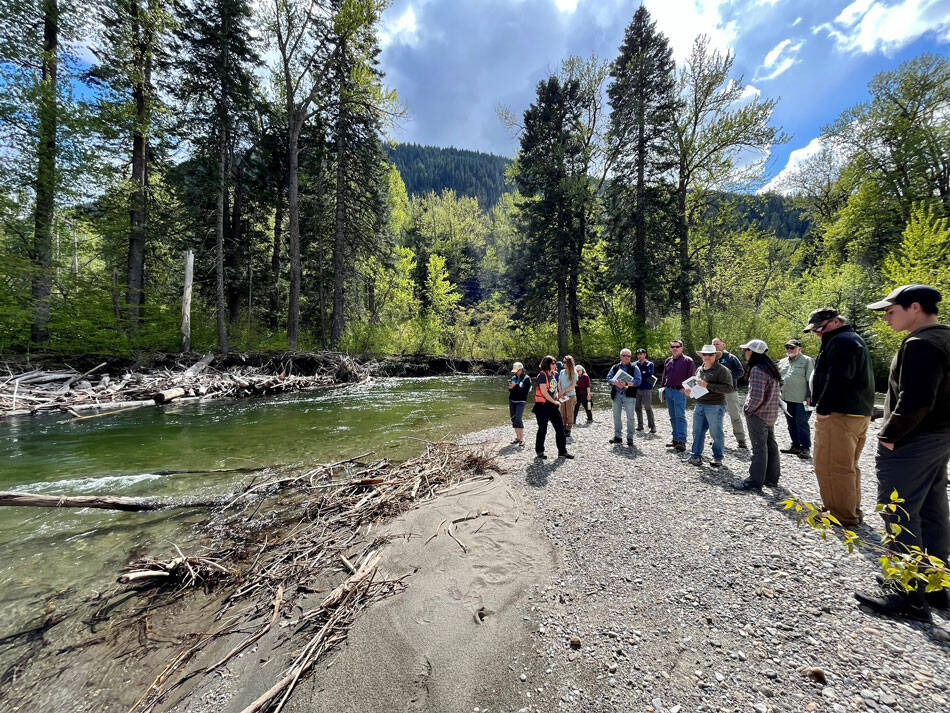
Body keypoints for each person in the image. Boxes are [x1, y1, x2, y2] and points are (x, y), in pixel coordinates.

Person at [854, 285, 950, 622]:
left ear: (914, 307)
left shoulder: (921, 344)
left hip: (913, 442)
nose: (885, 317)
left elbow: (917, 399)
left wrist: (890, 436)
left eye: (890, 310)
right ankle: (935, 584)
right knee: (933, 510)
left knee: (899, 510)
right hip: (938, 438)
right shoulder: (945, 338)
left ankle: (907, 593)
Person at [805, 307, 876, 527]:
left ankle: (840, 514)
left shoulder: (841, 342)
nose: (818, 333)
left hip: (840, 413)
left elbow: (839, 378)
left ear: (836, 321)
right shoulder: (850, 339)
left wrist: (823, 408)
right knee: (847, 465)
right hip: (855, 412)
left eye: (820, 328)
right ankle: (849, 509)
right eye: (815, 330)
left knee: (830, 464)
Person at [732, 340, 782, 491]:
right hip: (771, 414)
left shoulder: (757, 370)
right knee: (770, 445)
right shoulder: (771, 368)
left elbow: (756, 397)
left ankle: (754, 482)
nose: (745, 352)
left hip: (758, 415)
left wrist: (747, 410)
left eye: (747, 350)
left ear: (753, 352)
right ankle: (772, 479)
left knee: (759, 448)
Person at [685, 344, 735, 468]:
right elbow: (696, 387)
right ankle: (695, 456)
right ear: (702, 356)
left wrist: (707, 385)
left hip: (715, 405)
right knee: (697, 431)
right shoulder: (699, 369)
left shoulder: (723, 370)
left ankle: (718, 458)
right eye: (705, 354)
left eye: (710, 354)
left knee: (716, 433)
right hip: (700, 404)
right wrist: (689, 392)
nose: (707, 357)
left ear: (715, 356)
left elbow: (729, 388)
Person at [777, 338, 815, 459]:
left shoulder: (807, 361)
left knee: (802, 423)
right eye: (787, 347)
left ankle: (805, 448)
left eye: (792, 347)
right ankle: (795, 446)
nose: (789, 349)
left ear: (799, 348)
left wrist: (810, 395)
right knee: (790, 423)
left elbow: (811, 380)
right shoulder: (782, 362)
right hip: (786, 398)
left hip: (802, 399)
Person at [532, 355, 574, 460]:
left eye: (555, 363)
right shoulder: (541, 375)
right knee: (542, 429)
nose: (555, 365)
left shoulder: (555, 374)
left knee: (560, 428)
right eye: (553, 363)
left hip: (552, 405)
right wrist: (555, 402)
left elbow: (553, 389)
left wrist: (558, 396)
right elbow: (544, 392)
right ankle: (540, 451)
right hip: (542, 406)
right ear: (547, 365)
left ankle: (562, 451)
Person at [713, 338, 748, 449]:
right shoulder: (711, 357)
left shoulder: (731, 358)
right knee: (715, 416)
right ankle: (717, 440)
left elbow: (740, 371)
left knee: (735, 416)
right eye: (713, 344)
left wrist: (728, 378)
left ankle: (741, 440)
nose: (715, 346)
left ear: (723, 345)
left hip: (730, 391)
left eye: (717, 344)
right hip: (716, 391)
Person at [662, 340, 694, 452]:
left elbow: (692, 379)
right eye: (672, 346)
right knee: (672, 416)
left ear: (682, 348)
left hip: (679, 392)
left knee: (680, 416)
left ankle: (681, 441)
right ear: (670, 348)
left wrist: (685, 389)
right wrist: (663, 389)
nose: (675, 348)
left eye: (677, 346)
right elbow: (664, 376)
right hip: (669, 390)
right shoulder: (667, 360)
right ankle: (675, 439)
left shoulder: (688, 361)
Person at [607, 348, 642, 446]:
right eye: (624, 355)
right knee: (616, 416)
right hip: (617, 394)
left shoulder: (635, 367)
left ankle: (630, 438)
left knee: (630, 417)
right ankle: (618, 436)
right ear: (620, 356)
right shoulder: (615, 367)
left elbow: (638, 381)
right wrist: (615, 383)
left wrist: (627, 383)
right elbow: (608, 378)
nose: (626, 358)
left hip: (629, 395)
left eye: (628, 356)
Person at [507, 361, 531, 447]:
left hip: (521, 401)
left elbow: (525, 392)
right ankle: (517, 438)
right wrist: (510, 387)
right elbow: (511, 390)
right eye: (515, 371)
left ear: (521, 370)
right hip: (512, 400)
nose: (515, 372)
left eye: (517, 371)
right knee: (513, 419)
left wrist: (515, 386)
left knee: (518, 418)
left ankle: (521, 439)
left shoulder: (527, 379)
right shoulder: (513, 377)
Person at [634, 348, 656, 433]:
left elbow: (648, 374)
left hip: (647, 388)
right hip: (636, 388)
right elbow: (635, 375)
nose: (640, 355)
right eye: (638, 354)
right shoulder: (634, 364)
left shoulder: (650, 364)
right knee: (637, 408)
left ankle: (652, 426)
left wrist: (639, 375)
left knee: (648, 407)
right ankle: (640, 426)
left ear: (645, 355)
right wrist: (642, 373)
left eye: (641, 354)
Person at [558, 355, 579, 438]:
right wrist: (560, 392)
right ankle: (563, 426)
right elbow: (559, 383)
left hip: (570, 396)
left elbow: (573, 386)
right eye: (563, 362)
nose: (563, 363)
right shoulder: (562, 372)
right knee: (562, 412)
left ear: (569, 363)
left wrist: (564, 391)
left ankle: (568, 429)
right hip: (562, 396)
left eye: (564, 362)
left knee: (569, 413)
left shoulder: (574, 373)